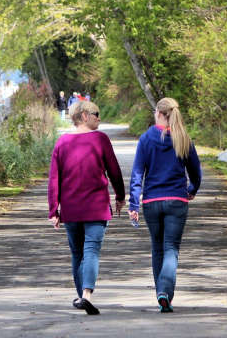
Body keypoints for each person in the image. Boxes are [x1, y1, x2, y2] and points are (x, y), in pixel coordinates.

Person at [48, 100, 125, 315]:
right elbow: (114, 171)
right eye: (96, 114)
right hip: (96, 208)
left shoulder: (62, 143)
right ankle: (86, 296)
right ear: (84, 116)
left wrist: (54, 210)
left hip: (72, 210)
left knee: (78, 253)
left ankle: (83, 296)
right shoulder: (100, 139)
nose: (99, 118)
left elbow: (54, 179)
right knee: (90, 251)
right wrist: (120, 196)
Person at [128, 97, 202, 313]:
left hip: (152, 202)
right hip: (177, 201)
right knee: (171, 248)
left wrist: (134, 203)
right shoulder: (183, 138)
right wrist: (192, 190)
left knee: (157, 248)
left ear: (159, 113)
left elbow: (137, 174)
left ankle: (162, 293)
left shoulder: (146, 139)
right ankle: (165, 292)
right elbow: (195, 172)